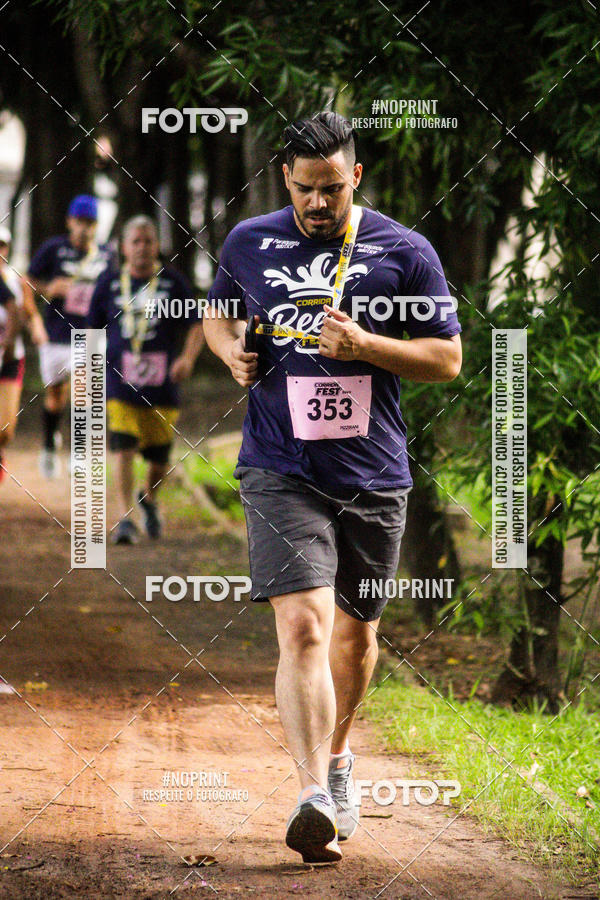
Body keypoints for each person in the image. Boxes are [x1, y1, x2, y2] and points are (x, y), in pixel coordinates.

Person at [203, 111, 462, 863]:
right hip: (279, 465)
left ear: (356, 177)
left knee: (355, 630)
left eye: (332, 189)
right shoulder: (249, 241)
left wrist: (366, 345)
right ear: (286, 178)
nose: (319, 204)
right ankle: (312, 790)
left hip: (372, 471)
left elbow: (445, 359)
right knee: (305, 625)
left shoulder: (405, 251)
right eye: (305, 189)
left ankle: (340, 758)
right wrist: (231, 356)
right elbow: (219, 315)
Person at [87, 215, 204, 544]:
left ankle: (148, 499)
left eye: (148, 241)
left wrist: (187, 358)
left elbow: (197, 324)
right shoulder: (108, 283)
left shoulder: (174, 283)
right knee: (123, 445)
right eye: (135, 242)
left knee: (158, 460)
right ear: (123, 248)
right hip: (119, 383)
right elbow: (91, 331)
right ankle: (126, 519)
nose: (141, 248)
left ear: (156, 247)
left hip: (163, 387)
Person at [28, 194, 113, 478]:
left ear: (97, 225)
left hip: (89, 335)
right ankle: (49, 444)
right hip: (55, 334)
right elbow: (28, 282)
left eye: (90, 222)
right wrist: (48, 290)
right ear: (69, 222)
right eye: (79, 221)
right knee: (55, 395)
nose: (84, 228)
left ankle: (78, 454)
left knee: (82, 394)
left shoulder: (106, 255)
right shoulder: (54, 249)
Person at [0, 226, 47, 481]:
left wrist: (37, 330)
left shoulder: (16, 282)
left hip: (10, 358)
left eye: (1, 246)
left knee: (5, 430)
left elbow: (29, 312)